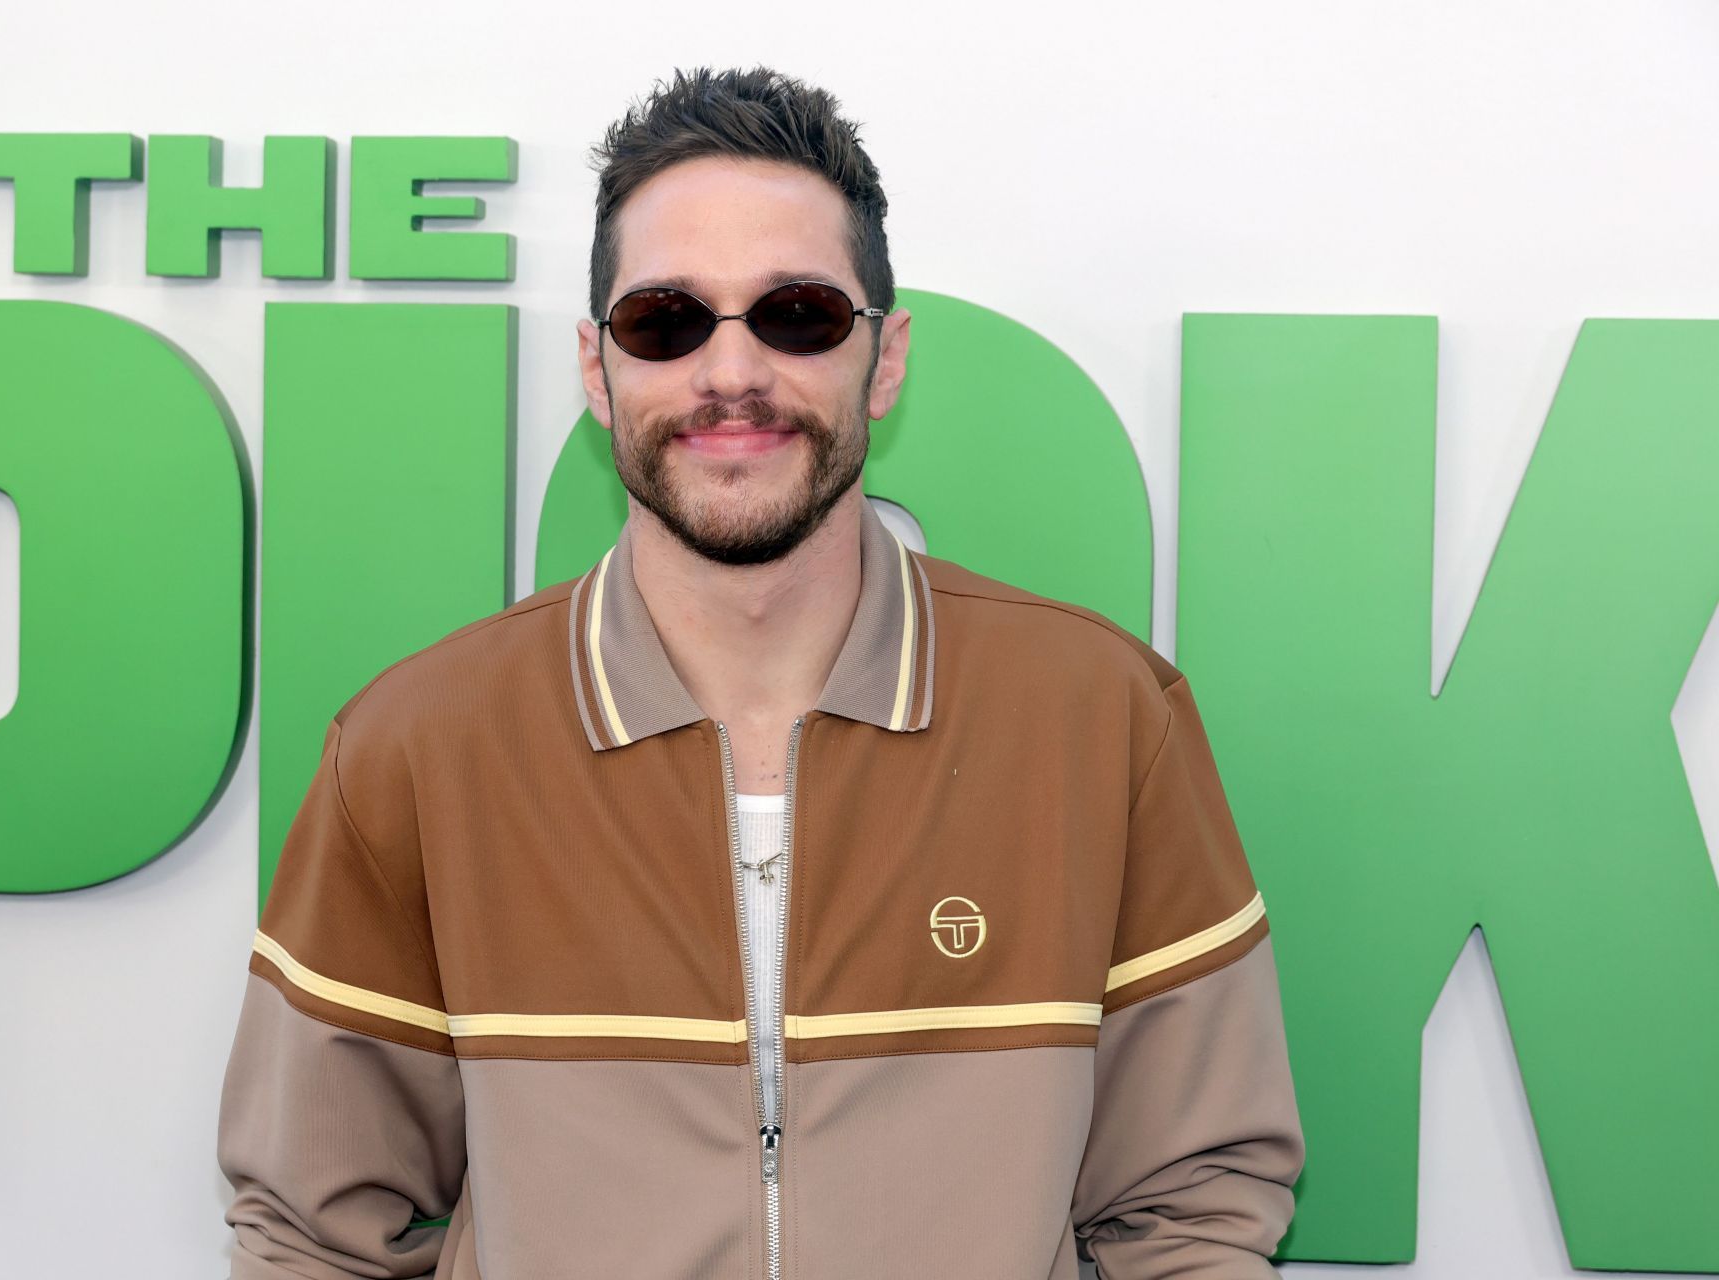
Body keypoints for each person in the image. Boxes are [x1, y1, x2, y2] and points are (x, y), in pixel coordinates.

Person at [217, 65, 1304, 1279]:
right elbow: (308, 1231)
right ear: (597, 368)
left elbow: (1196, 1207)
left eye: (796, 312)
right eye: (665, 320)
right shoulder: (419, 745)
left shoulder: (1103, 720)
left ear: (883, 361)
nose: (730, 373)